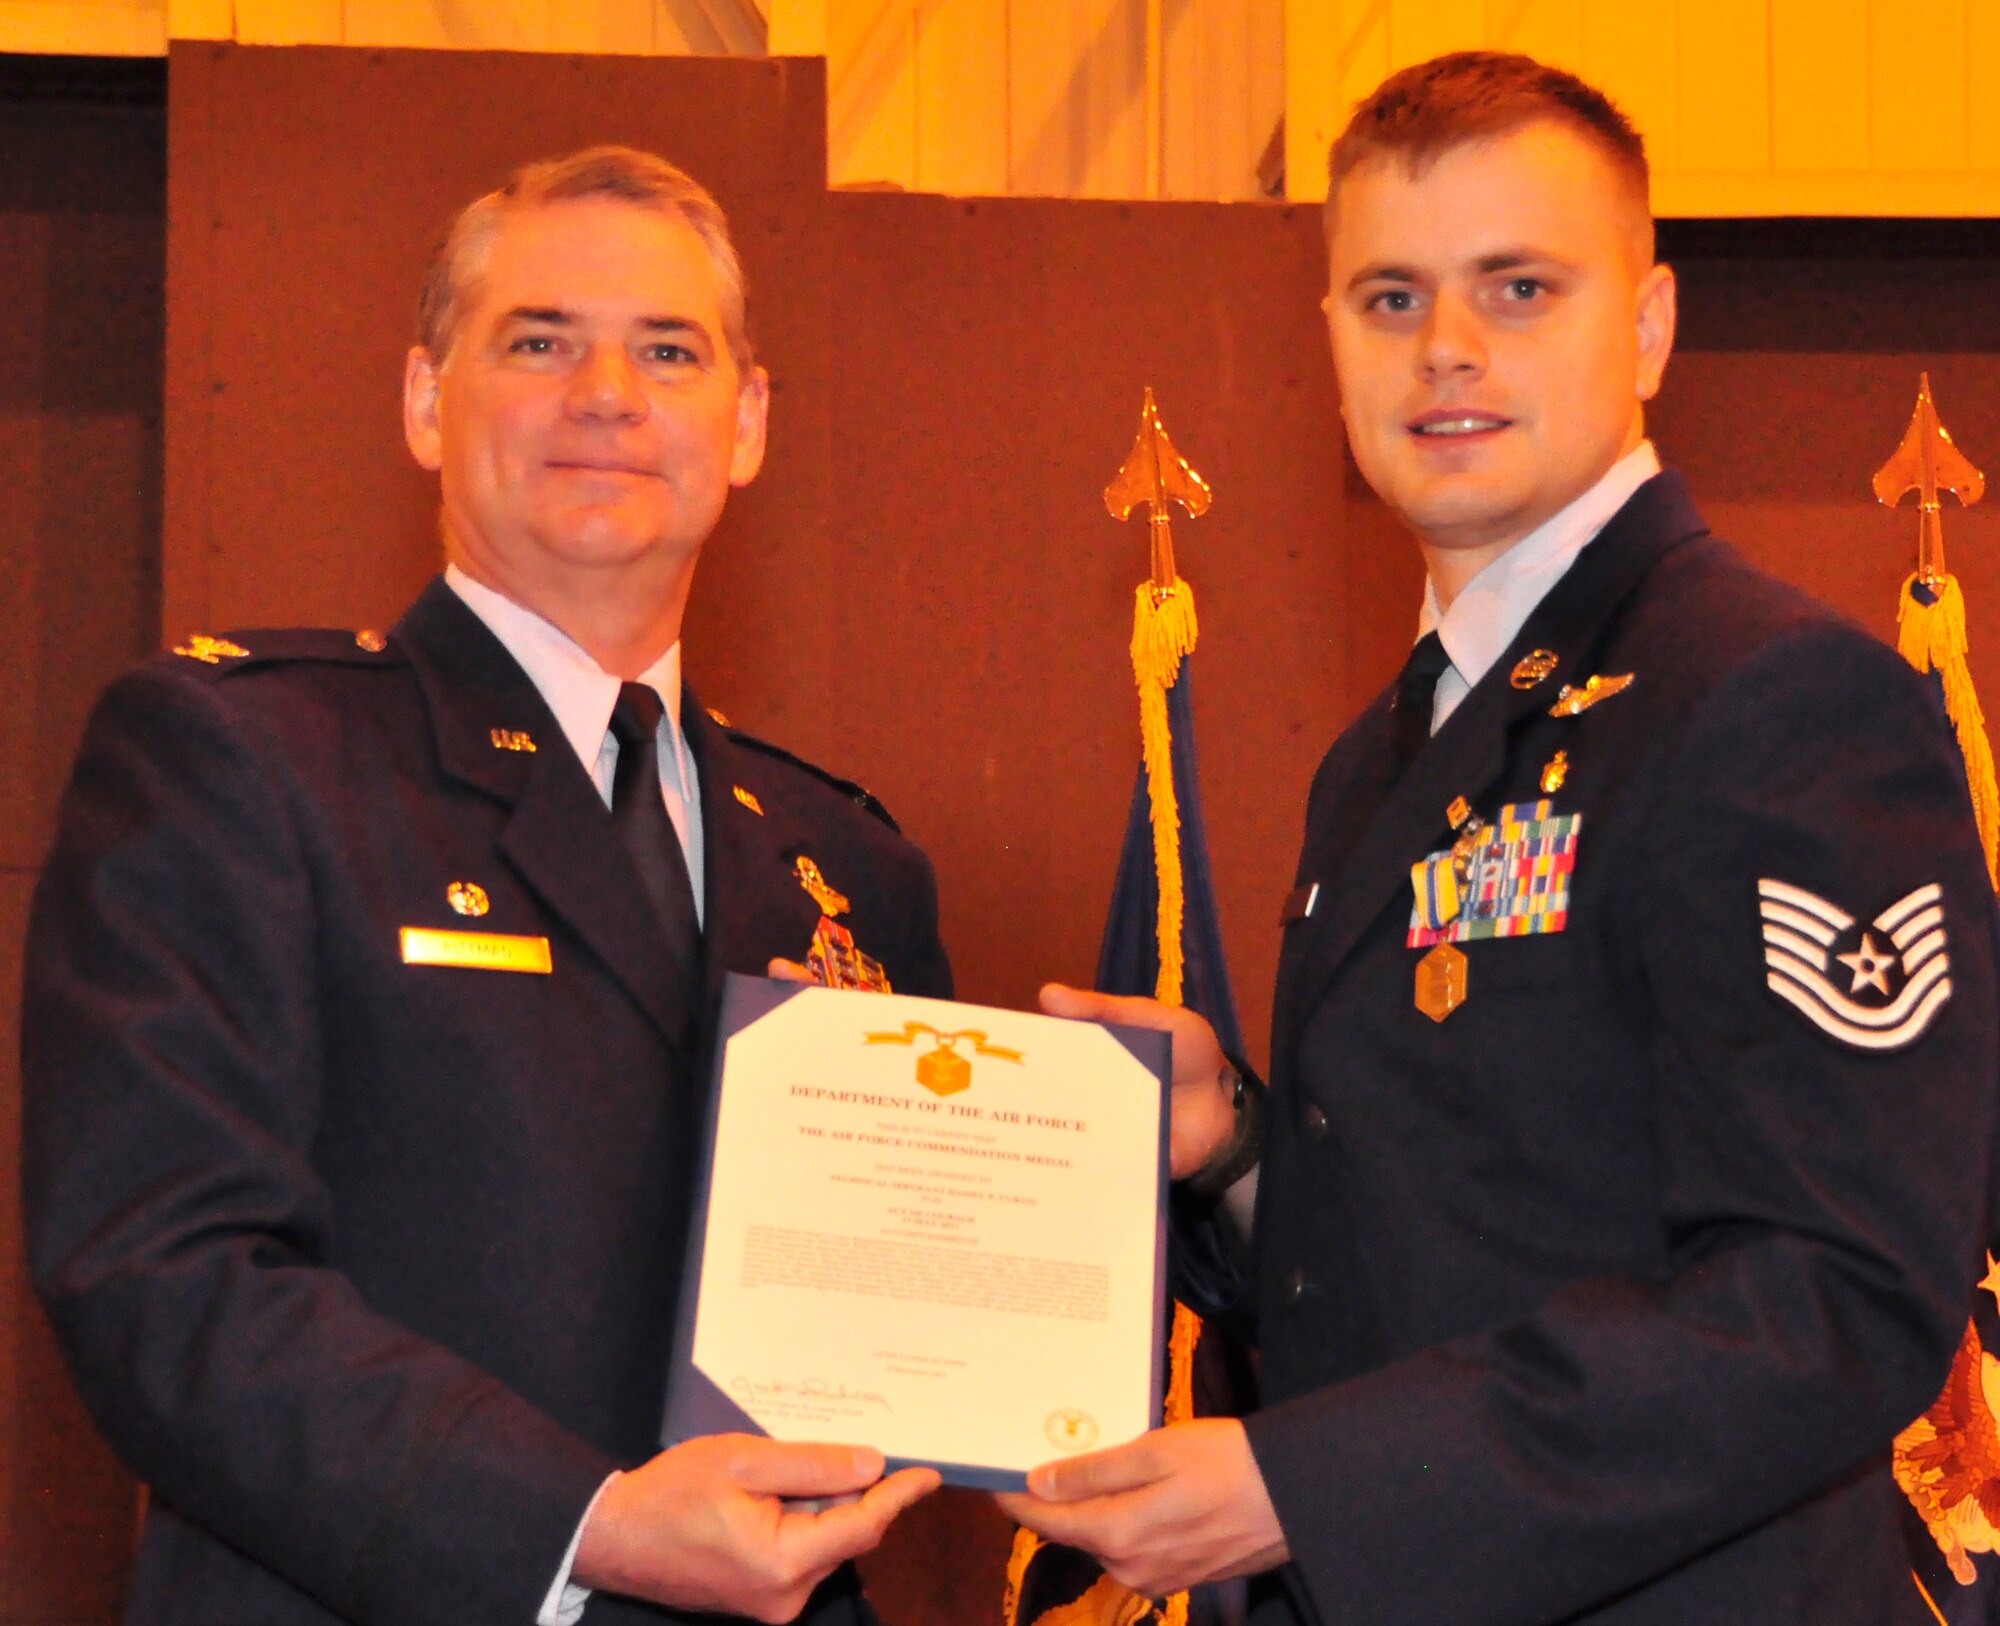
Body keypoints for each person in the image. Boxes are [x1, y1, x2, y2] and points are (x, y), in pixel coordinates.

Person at [1002, 52, 2000, 1626]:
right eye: (1390, 298)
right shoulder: (1376, 761)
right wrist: (1238, 1153)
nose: (1448, 349)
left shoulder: (1778, 699)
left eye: (1518, 287)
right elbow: (1431, 1257)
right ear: (1328, 338)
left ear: (1653, 323)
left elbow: (1834, 1295)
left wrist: (1306, 1490)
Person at [23, 147, 949, 1626]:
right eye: (539, 341)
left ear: (749, 420)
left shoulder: (847, 865)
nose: (607, 393)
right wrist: (585, 1527)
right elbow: (164, 1275)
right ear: (423, 400)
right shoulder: (239, 756)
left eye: (668, 349)